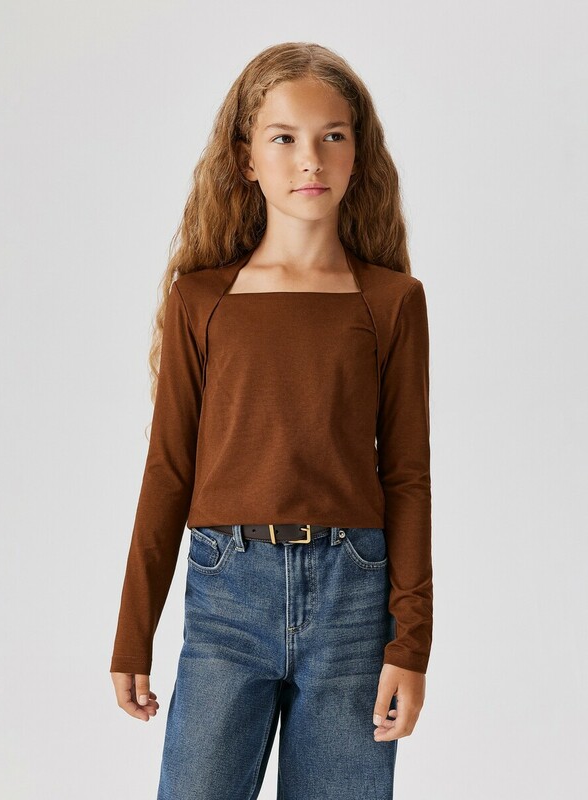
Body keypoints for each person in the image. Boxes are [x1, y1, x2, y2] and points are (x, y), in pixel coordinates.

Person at [110, 41, 433, 800]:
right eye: (283, 137)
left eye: (332, 135)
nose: (309, 158)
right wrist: (133, 632)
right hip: (227, 597)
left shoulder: (391, 301)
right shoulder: (201, 300)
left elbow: (407, 477)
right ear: (246, 158)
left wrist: (410, 644)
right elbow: (169, 469)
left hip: (354, 603)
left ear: (359, 153)